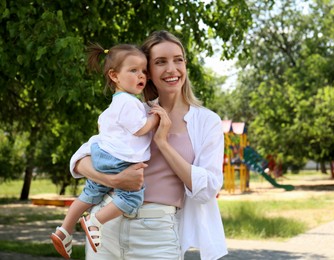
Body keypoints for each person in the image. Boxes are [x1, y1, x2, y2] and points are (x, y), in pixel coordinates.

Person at [69, 30, 228, 259]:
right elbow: (81, 159)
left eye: (178, 60)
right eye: (160, 62)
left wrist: (162, 143)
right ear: (148, 72)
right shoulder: (134, 112)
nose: (171, 69)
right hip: (106, 226)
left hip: (157, 233)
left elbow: (208, 188)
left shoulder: (206, 122)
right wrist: (113, 180)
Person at [51, 43, 162, 259]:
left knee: (90, 193)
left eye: (144, 71)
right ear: (114, 76)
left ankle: (64, 230)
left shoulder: (115, 104)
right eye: (133, 70)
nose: (141, 76)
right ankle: (95, 221)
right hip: (118, 161)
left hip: (102, 156)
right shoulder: (129, 103)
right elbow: (140, 129)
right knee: (131, 198)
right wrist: (156, 117)